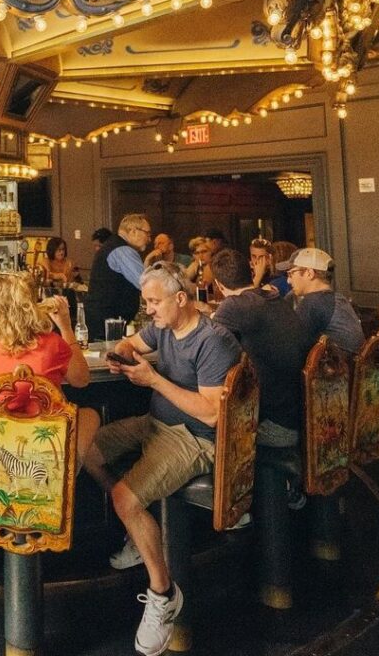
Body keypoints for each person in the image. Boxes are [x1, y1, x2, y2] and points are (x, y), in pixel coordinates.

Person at [85, 261, 241, 656]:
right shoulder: (165, 325)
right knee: (84, 448)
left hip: (194, 438)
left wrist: (154, 380)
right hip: (156, 423)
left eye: (154, 302)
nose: (148, 310)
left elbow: (210, 413)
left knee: (125, 498)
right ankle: (139, 529)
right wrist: (120, 353)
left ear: (181, 298)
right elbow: (134, 341)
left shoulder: (213, 341)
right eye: (146, 302)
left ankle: (163, 593)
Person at [0, 272, 100, 469]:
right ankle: (62, 477)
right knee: (90, 415)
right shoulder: (53, 343)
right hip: (46, 441)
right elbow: (82, 379)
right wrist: (66, 327)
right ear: (31, 306)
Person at [210, 249, 312, 448]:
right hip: (299, 416)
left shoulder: (233, 306)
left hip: (275, 427)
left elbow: (207, 343)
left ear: (219, 285)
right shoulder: (275, 299)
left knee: (201, 428)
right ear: (250, 270)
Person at [279, 247, 364, 355]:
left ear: (309, 273)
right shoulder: (336, 298)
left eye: (291, 273)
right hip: (350, 366)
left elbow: (290, 344)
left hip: (336, 369)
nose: (288, 280)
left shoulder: (313, 303)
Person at [87, 213, 152, 323]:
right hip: (109, 321)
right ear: (133, 231)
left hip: (102, 317)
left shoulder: (113, 245)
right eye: (147, 233)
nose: (149, 239)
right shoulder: (123, 250)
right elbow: (146, 283)